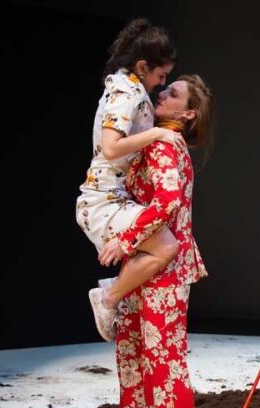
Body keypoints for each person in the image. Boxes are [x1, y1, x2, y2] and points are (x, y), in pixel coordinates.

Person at [109, 74, 214, 408]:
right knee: (133, 355)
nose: (162, 93)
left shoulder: (165, 145)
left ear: (188, 114)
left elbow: (167, 203)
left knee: (164, 364)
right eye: (165, 88)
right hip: (144, 265)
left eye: (173, 94)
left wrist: (125, 238)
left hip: (164, 272)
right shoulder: (155, 140)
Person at [76, 18, 186, 341]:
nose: (161, 84)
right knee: (167, 246)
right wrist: (157, 134)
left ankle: (116, 294)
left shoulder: (130, 88)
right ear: (142, 66)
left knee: (160, 245)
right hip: (102, 201)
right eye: (160, 76)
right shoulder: (126, 92)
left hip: (114, 197)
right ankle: (108, 297)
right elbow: (111, 147)